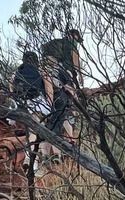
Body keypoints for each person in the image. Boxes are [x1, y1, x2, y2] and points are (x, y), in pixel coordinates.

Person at [40, 29, 84, 157]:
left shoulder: (56, 47)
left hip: (53, 80)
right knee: (68, 109)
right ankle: (69, 141)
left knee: (58, 112)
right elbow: (75, 63)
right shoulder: (71, 45)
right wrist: (79, 75)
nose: (77, 41)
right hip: (66, 77)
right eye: (77, 38)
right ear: (73, 35)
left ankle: (55, 146)